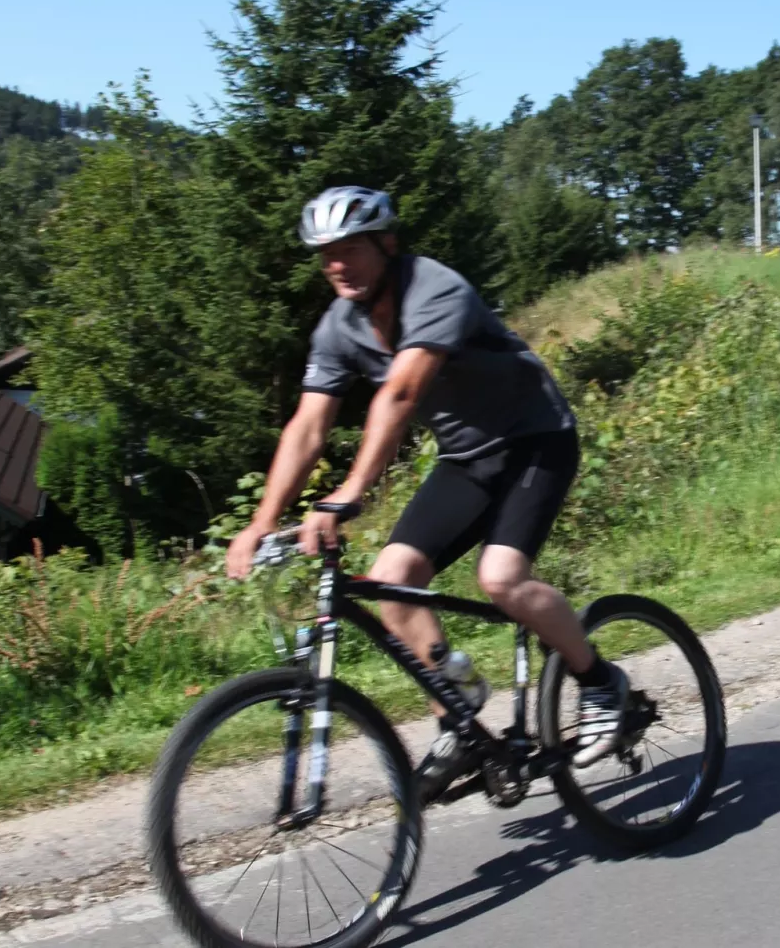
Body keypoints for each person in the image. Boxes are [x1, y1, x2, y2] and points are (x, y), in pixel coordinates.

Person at [225, 185, 629, 801]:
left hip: (534, 440)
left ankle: (600, 681)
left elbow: (403, 393)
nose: (337, 263)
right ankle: (459, 718)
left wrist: (351, 492)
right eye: (326, 252)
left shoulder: (434, 288)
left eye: (351, 248)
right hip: (466, 458)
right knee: (393, 577)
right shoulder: (340, 326)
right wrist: (262, 520)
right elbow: (308, 425)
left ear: (387, 243)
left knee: (501, 578)